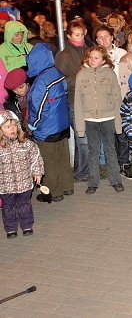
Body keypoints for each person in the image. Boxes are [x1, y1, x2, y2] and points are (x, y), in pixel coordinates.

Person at [26, 43, 75, 202]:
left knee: (49, 161)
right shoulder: (57, 73)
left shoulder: (41, 81)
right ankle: (67, 186)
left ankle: (54, 192)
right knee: (62, 157)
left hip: (47, 129)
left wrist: (33, 125)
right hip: (62, 124)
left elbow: (38, 107)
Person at [74, 46, 123, 194]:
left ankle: (116, 180)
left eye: (96, 58)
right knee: (93, 151)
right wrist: (80, 127)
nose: (92, 60)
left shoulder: (110, 74)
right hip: (89, 119)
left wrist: (118, 124)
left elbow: (117, 98)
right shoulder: (81, 75)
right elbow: (78, 102)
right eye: (90, 57)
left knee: (110, 150)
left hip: (108, 117)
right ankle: (93, 182)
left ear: (103, 60)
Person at [94, 25, 132, 180]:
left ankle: (124, 163)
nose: (104, 40)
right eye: (100, 37)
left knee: (123, 133)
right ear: (96, 40)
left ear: (112, 37)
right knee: (107, 134)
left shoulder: (122, 54)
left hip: (122, 98)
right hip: (103, 100)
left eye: (106, 36)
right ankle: (108, 164)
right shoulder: (93, 56)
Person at [0, 110, 44, 238]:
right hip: (6, 185)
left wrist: (37, 172)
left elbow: (35, 157)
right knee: (8, 207)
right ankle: (10, 228)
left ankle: (27, 225)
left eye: (14, 125)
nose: (12, 129)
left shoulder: (26, 143)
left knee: (25, 204)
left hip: (24, 182)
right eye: (8, 126)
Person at [55, 19, 90, 182]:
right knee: (82, 138)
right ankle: (82, 172)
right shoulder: (64, 56)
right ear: (68, 36)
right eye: (76, 35)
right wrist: (82, 77)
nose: (80, 37)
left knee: (85, 137)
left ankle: (83, 168)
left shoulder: (88, 50)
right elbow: (60, 81)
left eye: (82, 34)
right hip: (74, 100)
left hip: (89, 98)